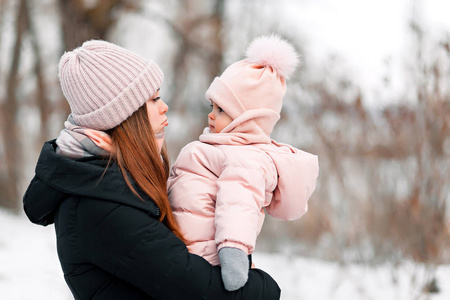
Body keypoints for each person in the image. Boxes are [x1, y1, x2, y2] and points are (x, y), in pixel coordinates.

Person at [23, 39, 281, 300]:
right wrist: (265, 285)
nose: (164, 106)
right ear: (122, 118)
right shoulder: (100, 206)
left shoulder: (110, 183)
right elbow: (202, 291)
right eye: (154, 98)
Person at [168, 34, 319, 291]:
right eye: (212, 106)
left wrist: (234, 254)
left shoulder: (245, 159)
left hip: (206, 262)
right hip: (181, 255)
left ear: (247, 119)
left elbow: (238, 204)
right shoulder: (220, 149)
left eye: (221, 110)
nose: (211, 115)